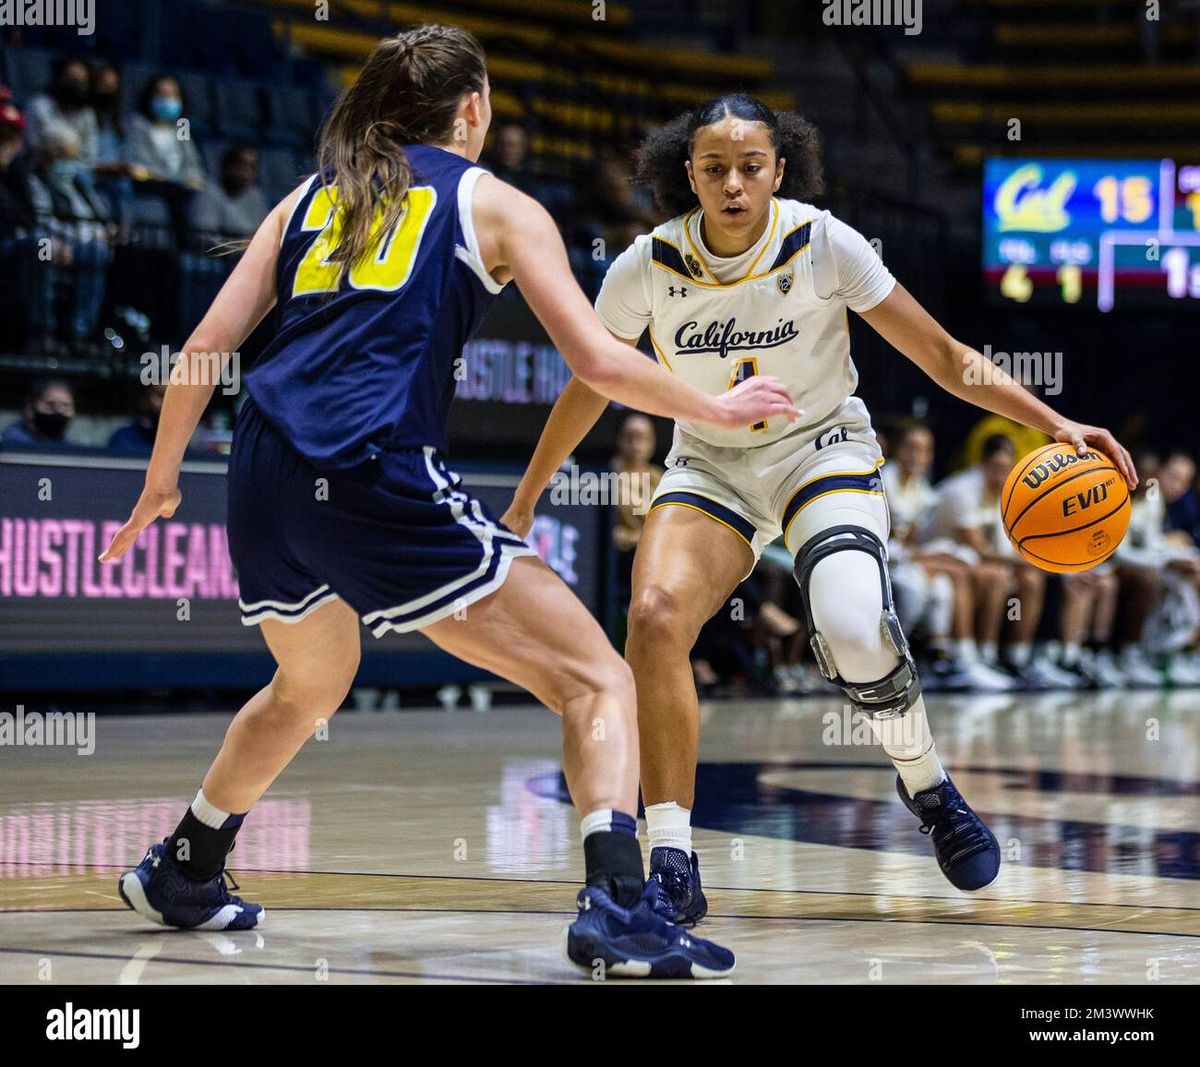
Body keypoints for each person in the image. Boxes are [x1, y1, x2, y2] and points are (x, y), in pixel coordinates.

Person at [100, 26, 796, 979]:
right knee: (596, 677)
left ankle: (187, 864)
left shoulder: (312, 194)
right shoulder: (495, 203)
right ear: (471, 111)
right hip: (370, 469)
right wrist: (713, 403)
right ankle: (621, 905)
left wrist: (161, 479)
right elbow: (596, 359)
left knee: (309, 684)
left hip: (259, 470)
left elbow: (202, 351)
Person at [502, 93, 1136, 922]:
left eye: (750, 166)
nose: (733, 183)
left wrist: (1053, 423)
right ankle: (673, 859)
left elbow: (943, 356)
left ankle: (929, 787)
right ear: (686, 173)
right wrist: (524, 499)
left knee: (847, 621)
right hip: (711, 463)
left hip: (822, 450)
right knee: (654, 616)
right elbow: (592, 382)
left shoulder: (824, 242)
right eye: (714, 167)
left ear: (780, 170)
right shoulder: (646, 265)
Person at [190, 144, 269, 244]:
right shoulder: (208, 191)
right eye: (240, 165)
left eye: (252, 167)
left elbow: (263, 235)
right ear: (226, 166)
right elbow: (204, 238)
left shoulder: (256, 195)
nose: (245, 172)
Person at [1, 378, 77, 447]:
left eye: (66, 405)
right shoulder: (7, 445)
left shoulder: (72, 451)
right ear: (30, 409)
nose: (59, 410)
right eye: (50, 404)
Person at [107, 382, 166, 454]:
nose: (167, 403)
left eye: (174, 397)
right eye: (161, 395)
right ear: (147, 396)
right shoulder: (124, 438)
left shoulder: (182, 442)